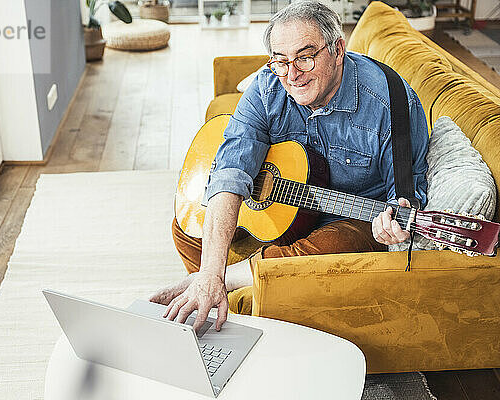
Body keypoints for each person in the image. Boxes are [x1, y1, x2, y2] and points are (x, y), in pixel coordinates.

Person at [150, 0, 429, 332]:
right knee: (189, 228)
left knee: (335, 247)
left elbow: (406, 196)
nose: (292, 75)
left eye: (305, 58)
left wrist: (394, 219)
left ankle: (218, 285)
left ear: (338, 49)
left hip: (345, 219)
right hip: (283, 215)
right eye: (280, 61)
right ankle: (216, 288)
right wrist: (210, 268)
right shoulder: (267, 88)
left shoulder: (392, 103)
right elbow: (229, 172)